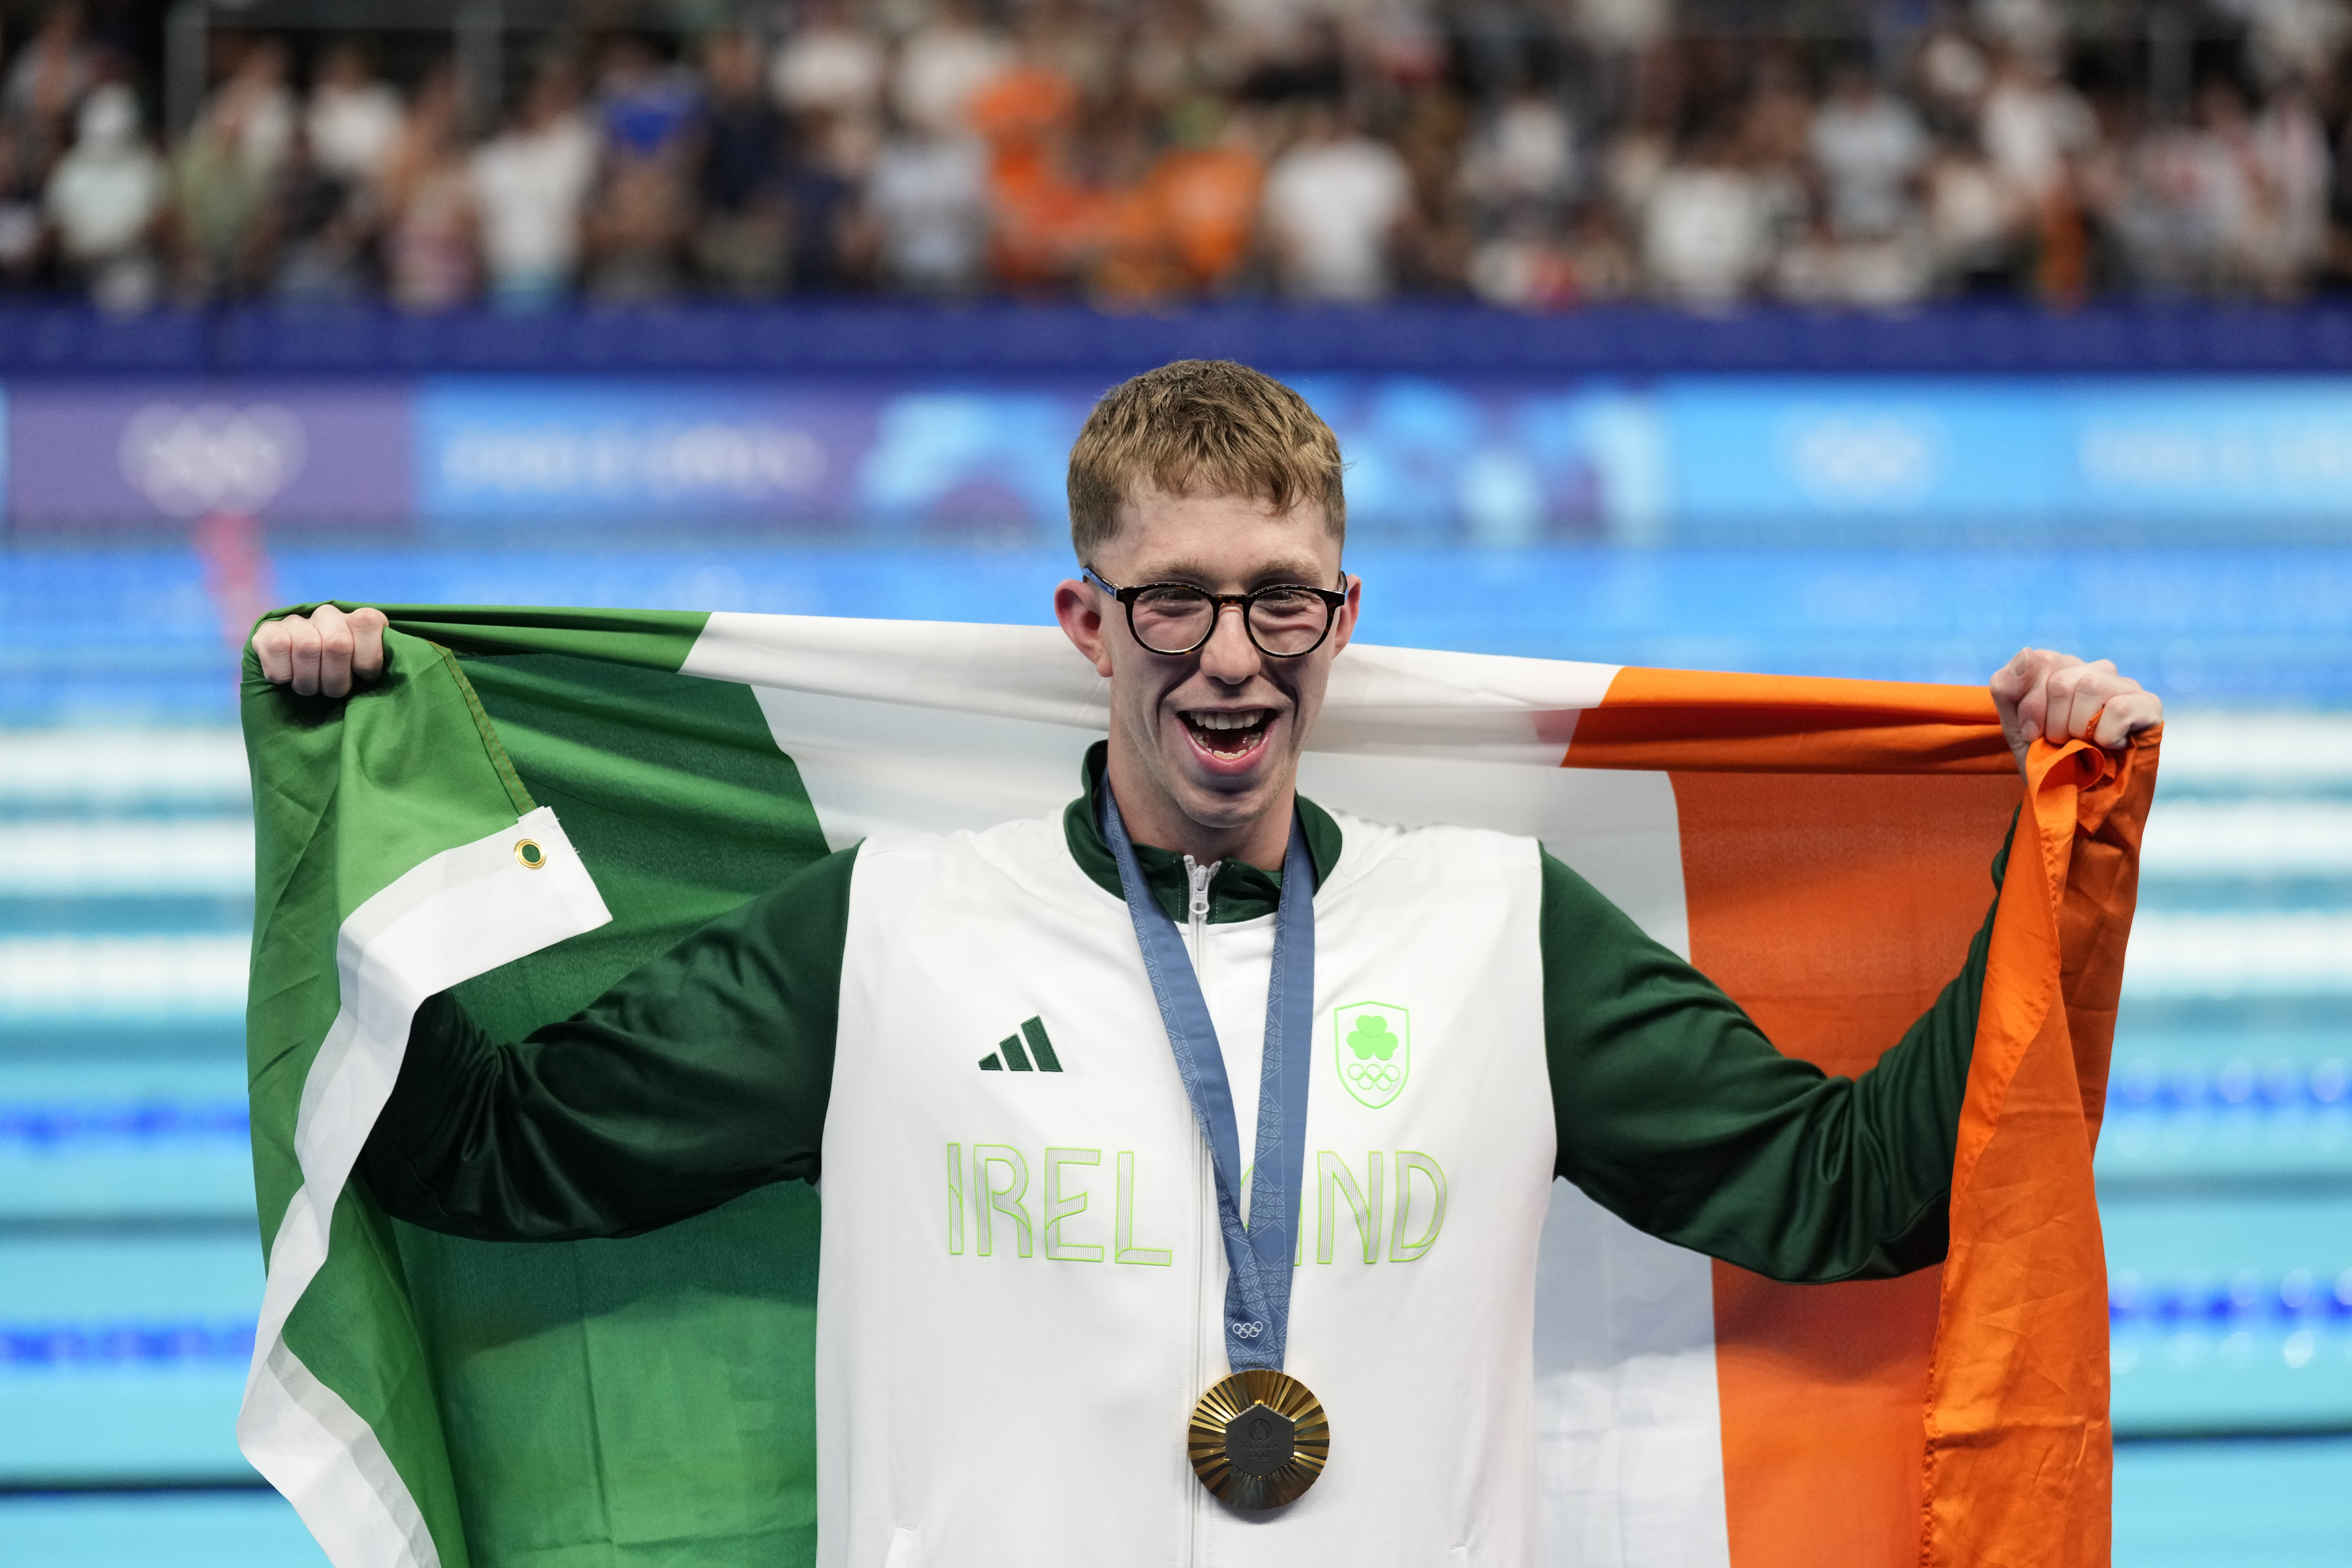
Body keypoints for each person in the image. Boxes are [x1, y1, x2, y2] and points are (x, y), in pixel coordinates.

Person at [250, 360, 2161, 1562]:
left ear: (1345, 618)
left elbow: (1861, 1193)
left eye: (1278, 599)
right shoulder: (893, 930)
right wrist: (354, 774)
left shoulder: (1502, 931)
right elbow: (490, 1153)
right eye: (1174, 596)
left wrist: (2050, 860)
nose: (1229, 653)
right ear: (1089, 617)